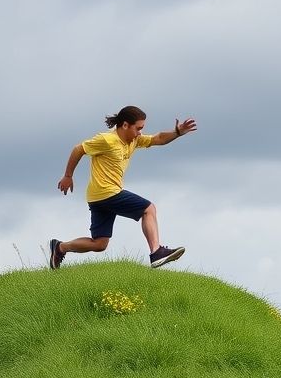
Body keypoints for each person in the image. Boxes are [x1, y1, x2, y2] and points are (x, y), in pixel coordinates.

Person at [49, 105, 197, 269]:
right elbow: (79, 149)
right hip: (107, 193)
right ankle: (156, 252)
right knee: (149, 208)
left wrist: (177, 132)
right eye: (138, 128)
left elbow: (159, 138)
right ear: (125, 125)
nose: (140, 132)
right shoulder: (107, 140)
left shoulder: (133, 140)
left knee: (99, 244)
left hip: (97, 197)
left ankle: (60, 247)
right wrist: (68, 176)